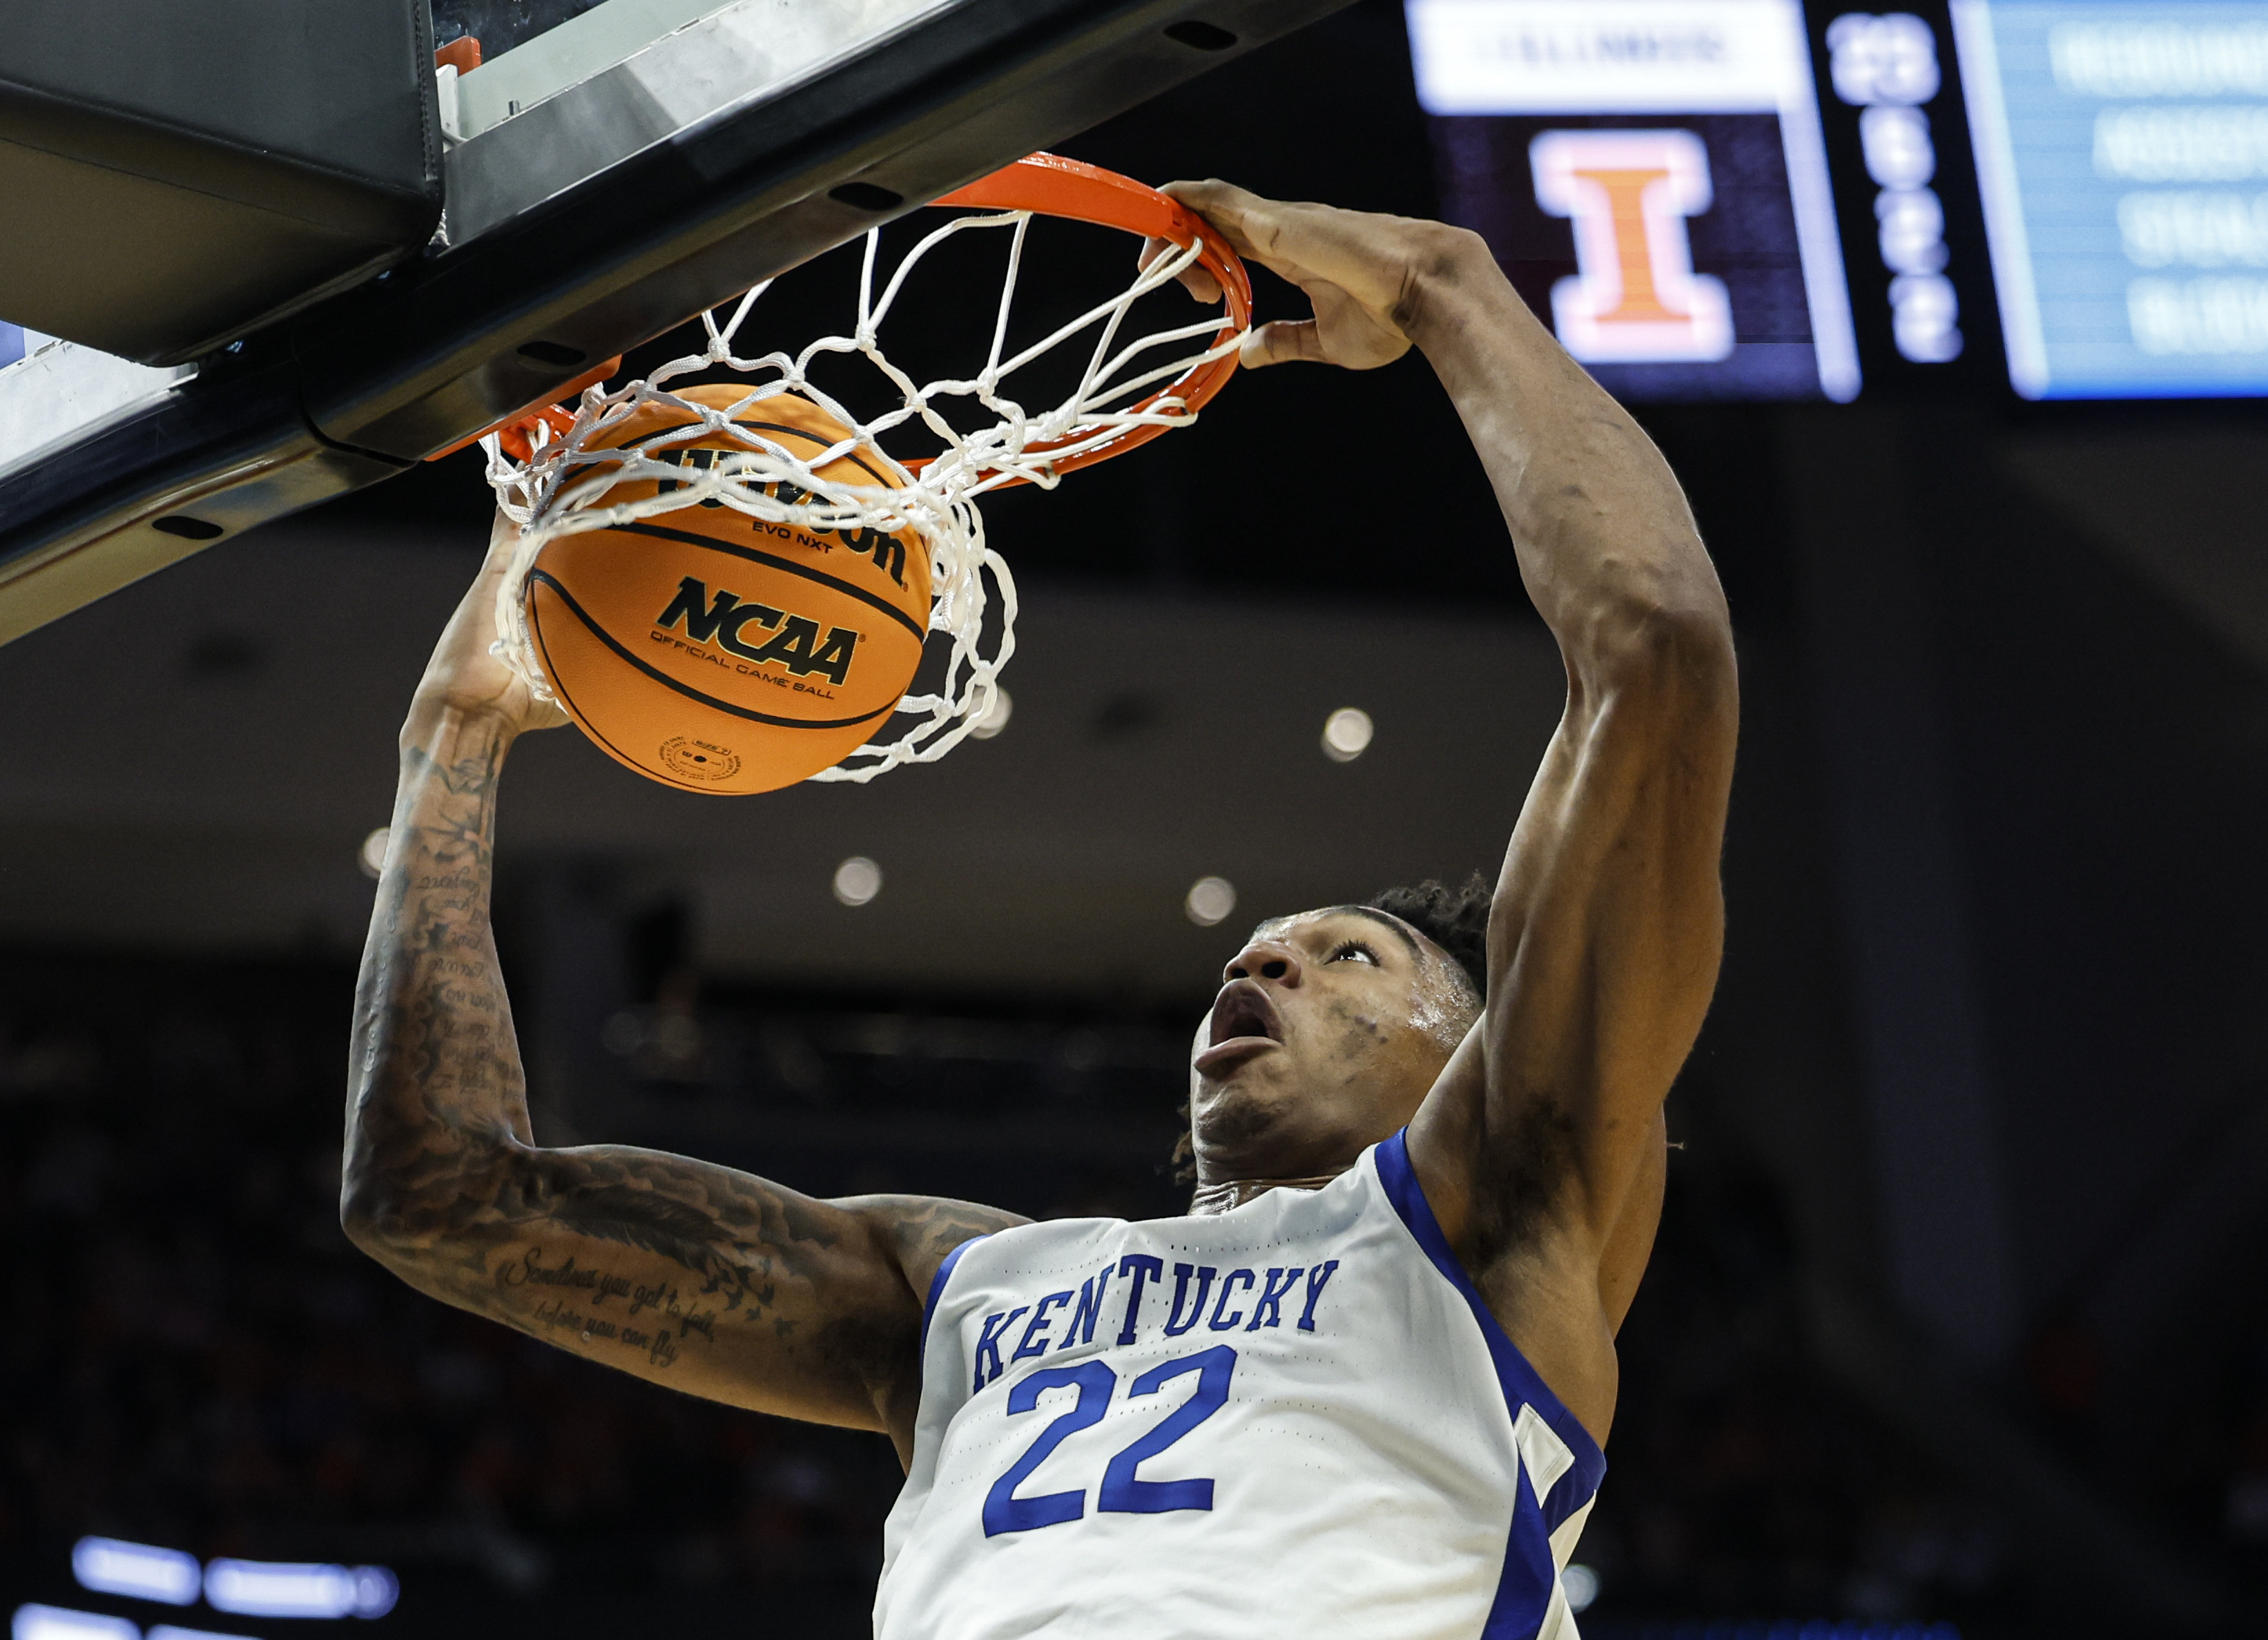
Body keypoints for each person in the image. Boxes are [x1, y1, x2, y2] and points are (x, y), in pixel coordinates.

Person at [344, 179, 1737, 1639]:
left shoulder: (1496, 1216)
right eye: (1273, 944)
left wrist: (1444, 282)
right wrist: (456, 734)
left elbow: (1651, 644)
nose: (1264, 954)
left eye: (1348, 957)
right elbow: (439, 1195)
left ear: (1471, 1053)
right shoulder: (957, 1284)